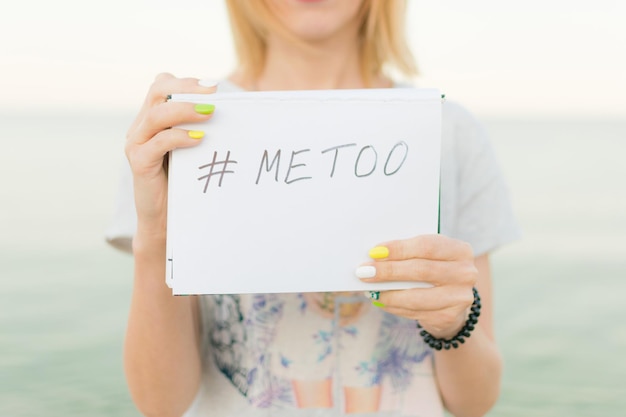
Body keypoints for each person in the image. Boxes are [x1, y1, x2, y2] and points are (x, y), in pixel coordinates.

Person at [106, 1, 519, 416]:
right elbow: (160, 405)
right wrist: (156, 236)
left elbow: (475, 402)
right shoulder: (180, 131)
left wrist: (451, 322)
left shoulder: (450, 132)